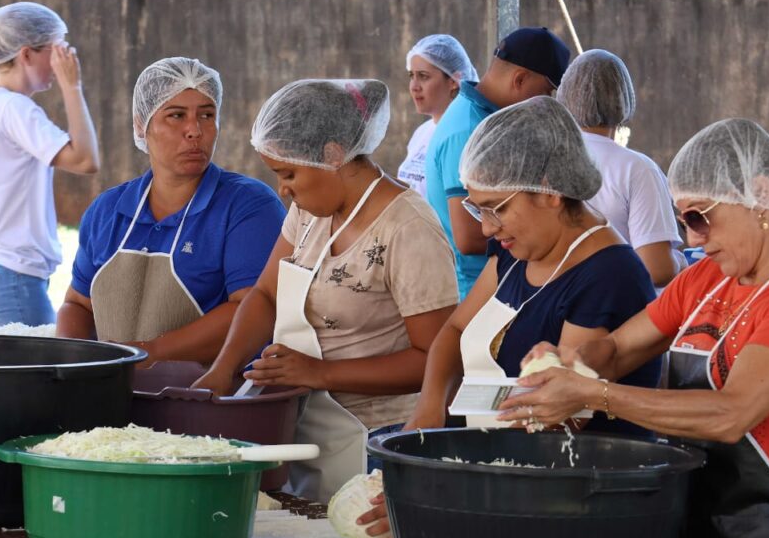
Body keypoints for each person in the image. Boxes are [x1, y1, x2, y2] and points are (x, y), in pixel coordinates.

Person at [497, 119, 769, 538]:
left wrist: (591, 394)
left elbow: (730, 415)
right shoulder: (706, 279)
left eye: (700, 217)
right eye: (683, 220)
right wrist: (566, 363)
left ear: (761, 195)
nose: (694, 238)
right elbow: (620, 350)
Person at [358, 96, 660, 538]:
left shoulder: (608, 276)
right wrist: (429, 410)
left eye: (495, 207)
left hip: (563, 502)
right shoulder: (517, 250)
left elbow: (556, 422)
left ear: (549, 191)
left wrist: (442, 490)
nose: (485, 228)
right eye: (478, 208)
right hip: (490, 473)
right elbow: (455, 332)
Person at [193, 79, 458, 502]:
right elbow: (265, 294)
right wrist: (224, 369)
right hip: (305, 424)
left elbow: (438, 360)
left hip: (377, 438)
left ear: (332, 155)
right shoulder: (309, 212)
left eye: (288, 174)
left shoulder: (408, 228)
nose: (283, 189)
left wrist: (320, 373)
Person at [56, 57, 286, 366]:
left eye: (207, 115)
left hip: (208, 400)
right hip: (116, 397)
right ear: (141, 124)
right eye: (176, 115)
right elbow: (78, 304)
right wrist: (76, 367)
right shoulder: (108, 211)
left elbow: (254, 310)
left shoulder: (248, 205)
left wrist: (149, 354)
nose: (194, 130)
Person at [0, 2, 100, 330]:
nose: (60, 62)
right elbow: (85, 159)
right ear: (26, 54)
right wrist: (72, 87)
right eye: (55, 52)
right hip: (12, 281)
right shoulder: (15, 109)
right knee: (39, 380)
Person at [425, 26, 570, 298]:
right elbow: (468, 237)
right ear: (520, 79)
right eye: (546, 92)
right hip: (472, 290)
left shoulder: (484, 120)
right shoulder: (468, 129)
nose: (546, 103)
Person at [557, 49, 686, 287]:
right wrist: (681, 260)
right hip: (621, 314)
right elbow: (656, 270)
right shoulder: (637, 169)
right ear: (624, 97)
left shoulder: (545, 159)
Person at [396, 34, 478, 197]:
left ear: (454, 81)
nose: (414, 86)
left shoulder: (461, 135)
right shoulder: (422, 132)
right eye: (411, 75)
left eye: (423, 76)